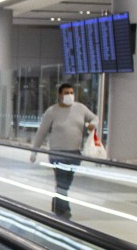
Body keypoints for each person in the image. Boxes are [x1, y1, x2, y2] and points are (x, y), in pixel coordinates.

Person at [30, 83, 98, 220]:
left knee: (66, 183)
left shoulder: (80, 108)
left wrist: (92, 125)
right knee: (62, 182)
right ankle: (65, 212)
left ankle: (57, 204)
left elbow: (95, 118)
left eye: (71, 92)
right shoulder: (52, 111)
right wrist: (34, 151)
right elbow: (42, 132)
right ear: (60, 95)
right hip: (57, 154)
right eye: (66, 93)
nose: (70, 95)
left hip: (74, 154)